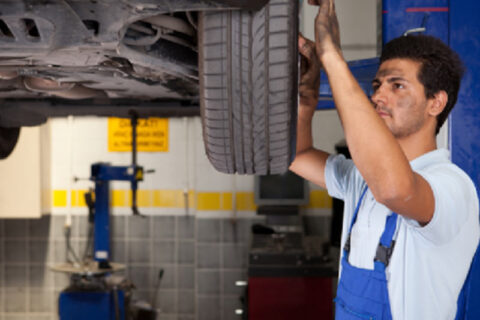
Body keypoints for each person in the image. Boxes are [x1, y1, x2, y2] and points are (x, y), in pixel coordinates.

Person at [289, 0, 480, 319]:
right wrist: (306, 98)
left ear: (436, 103)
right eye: (377, 85)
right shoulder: (362, 179)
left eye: (397, 85)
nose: (378, 95)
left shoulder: (452, 187)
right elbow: (297, 155)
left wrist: (332, 56)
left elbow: (395, 189)